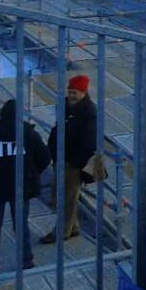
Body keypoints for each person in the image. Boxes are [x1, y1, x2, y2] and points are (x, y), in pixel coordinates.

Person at [0, 99, 51, 271]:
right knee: (21, 225)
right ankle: (26, 259)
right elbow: (45, 156)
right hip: (21, 186)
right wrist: (33, 174)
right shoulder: (27, 132)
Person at [42, 75, 99, 243]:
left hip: (72, 162)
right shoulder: (68, 105)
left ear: (83, 93)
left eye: (75, 93)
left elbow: (89, 142)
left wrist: (75, 163)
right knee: (64, 196)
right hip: (62, 157)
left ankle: (62, 231)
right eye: (70, 92)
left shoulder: (89, 112)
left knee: (67, 198)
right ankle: (72, 227)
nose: (72, 95)